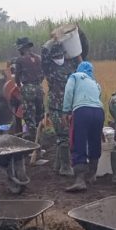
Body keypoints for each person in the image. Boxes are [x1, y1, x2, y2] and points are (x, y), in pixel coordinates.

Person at [62, 61, 104, 192]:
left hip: (82, 111)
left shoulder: (74, 76)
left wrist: (66, 111)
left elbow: (69, 92)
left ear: (79, 69)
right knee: (94, 141)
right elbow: (98, 99)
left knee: (78, 141)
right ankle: (92, 175)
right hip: (99, 112)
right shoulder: (95, 83)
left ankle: (80, 179)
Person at [41, 41, 80, 177]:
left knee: (64, 135)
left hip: (68, 106)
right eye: (55, 57)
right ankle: (65, 167)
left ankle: (58, 166)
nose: (58, 59)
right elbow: (44, 52)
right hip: (56, 106)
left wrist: (79, 35)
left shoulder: (70, 65)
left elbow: (80, 53)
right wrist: (53, 40)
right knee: (63, 135)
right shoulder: (49, 68)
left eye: (60, 56)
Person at [11, 37, 45, 135]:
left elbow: (17, 76)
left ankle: (33, 139)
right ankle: (41, 137)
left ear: (21, 48)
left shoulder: (20, 60)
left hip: (27, 89)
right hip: (39, 88)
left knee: (30, 116)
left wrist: (19, 86)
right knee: (39, 114)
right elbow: (43, 74)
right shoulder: (38, 58)